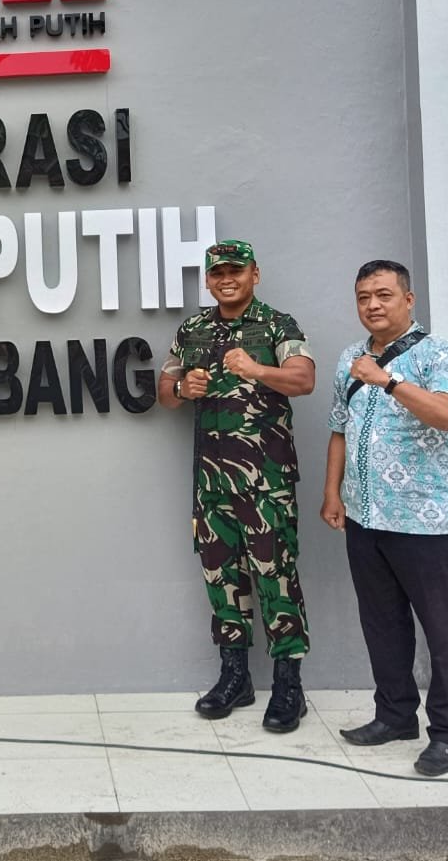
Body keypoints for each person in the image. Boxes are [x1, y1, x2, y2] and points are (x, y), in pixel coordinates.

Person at [320, 259, 448, 777]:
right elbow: (339, 429)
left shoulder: (439, 354)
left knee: (444, 631)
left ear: (408, 300)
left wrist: (387, 381)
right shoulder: (350, 358)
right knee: (382, 623)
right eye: (364, 297)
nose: (373, 305)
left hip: (422, 520)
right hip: (365, 516)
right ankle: (394, 715)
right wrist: (332, 493)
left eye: (384, 295)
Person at [158, 240, 316, 732]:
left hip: (266, 482)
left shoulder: (277, 325)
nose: (227, 279)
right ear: (208, 280)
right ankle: (235, 677)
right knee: (221, 577)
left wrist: (257, 370)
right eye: (218, 272)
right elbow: (164, 389)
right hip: (211, 482)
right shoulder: (193, 329)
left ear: (255, 274)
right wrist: (182, 389)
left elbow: (303, 379)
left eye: (236, 270)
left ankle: (289, 685)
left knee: (276, 576)